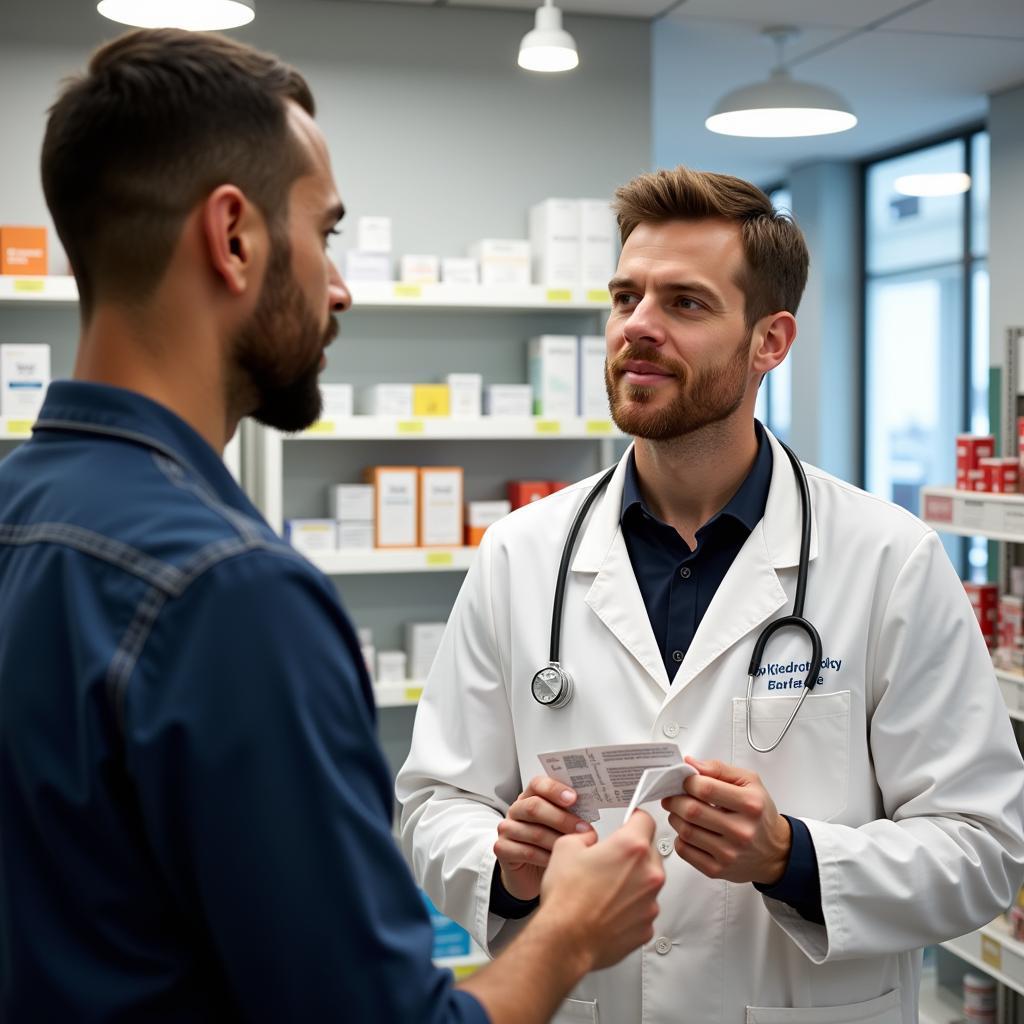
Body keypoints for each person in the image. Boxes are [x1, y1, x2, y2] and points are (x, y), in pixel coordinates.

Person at [0, 29, 667, 1023]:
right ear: (233, 239)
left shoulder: (23, 510)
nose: (341, 286)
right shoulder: (227, 592)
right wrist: (570, 931)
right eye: (327, 234)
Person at [397, 166, 1024, 1024]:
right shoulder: (520, 554)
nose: (637, 328)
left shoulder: (890, 560)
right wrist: (506, 863)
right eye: (626, 297)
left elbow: (985, 849)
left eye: (685, 304)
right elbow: (434, 803)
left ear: (770, 342)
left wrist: (790, 858)